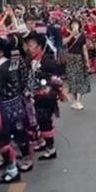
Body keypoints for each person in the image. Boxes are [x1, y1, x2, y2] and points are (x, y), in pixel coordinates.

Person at [0, 34, 30, 184]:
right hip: (16, 103)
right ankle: (25, 159)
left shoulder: (1, 69)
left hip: (4, 108)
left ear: (1, 52)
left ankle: (12, 170)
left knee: (2, 140)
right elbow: (21, 82)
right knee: (20, 133)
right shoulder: (13, 64)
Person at [25, 31, 63, 160]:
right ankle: (45, 144)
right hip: (35, 97)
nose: (29, 48)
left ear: (39, 46)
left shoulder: (47, 60)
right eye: (28, 45)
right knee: (38, 122)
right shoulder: (31, 60)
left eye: (31, 45)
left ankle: (51, 149)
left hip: (46, 98)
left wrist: (45, 87)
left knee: (45, 121)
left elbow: (56, 80)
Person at [64, 19, 91, 110]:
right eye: (73, 24)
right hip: (70, 58)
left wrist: (87, 61)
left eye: (76, 24)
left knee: (79, 79)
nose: (74, 26)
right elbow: (64, 43)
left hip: (79, 59)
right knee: (72, 79)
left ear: (79, 26)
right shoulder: (68, 34)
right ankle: (74, 100)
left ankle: (79, 101)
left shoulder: (82, 36)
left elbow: (84, 49)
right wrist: (72, 34)